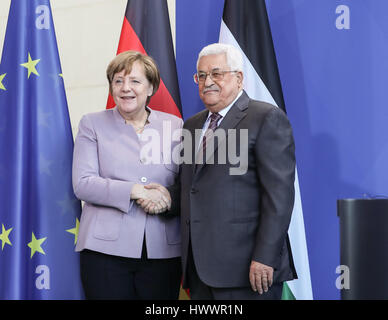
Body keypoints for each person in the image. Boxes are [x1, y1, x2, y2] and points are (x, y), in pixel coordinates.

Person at [179, 43, 297, 300]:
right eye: (201, 75)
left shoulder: (266, 118)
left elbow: (279, 197)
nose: (207, 81)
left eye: (216, 73)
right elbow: (190, 188)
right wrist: (157, 196)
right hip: (200, 272)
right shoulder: (191, 126)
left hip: (249, 271)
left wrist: (265, 257)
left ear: (239, 78)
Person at [72, 50, 182, 300]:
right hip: (104, 252)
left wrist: (166, 198)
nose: (125, 88)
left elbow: (185, 184)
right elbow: (83, 183)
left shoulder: (175, 125)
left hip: (163, 251)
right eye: (118, 81)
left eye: (135, 81)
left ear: (151, 87)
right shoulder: (92, 124)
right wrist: (136, 191)